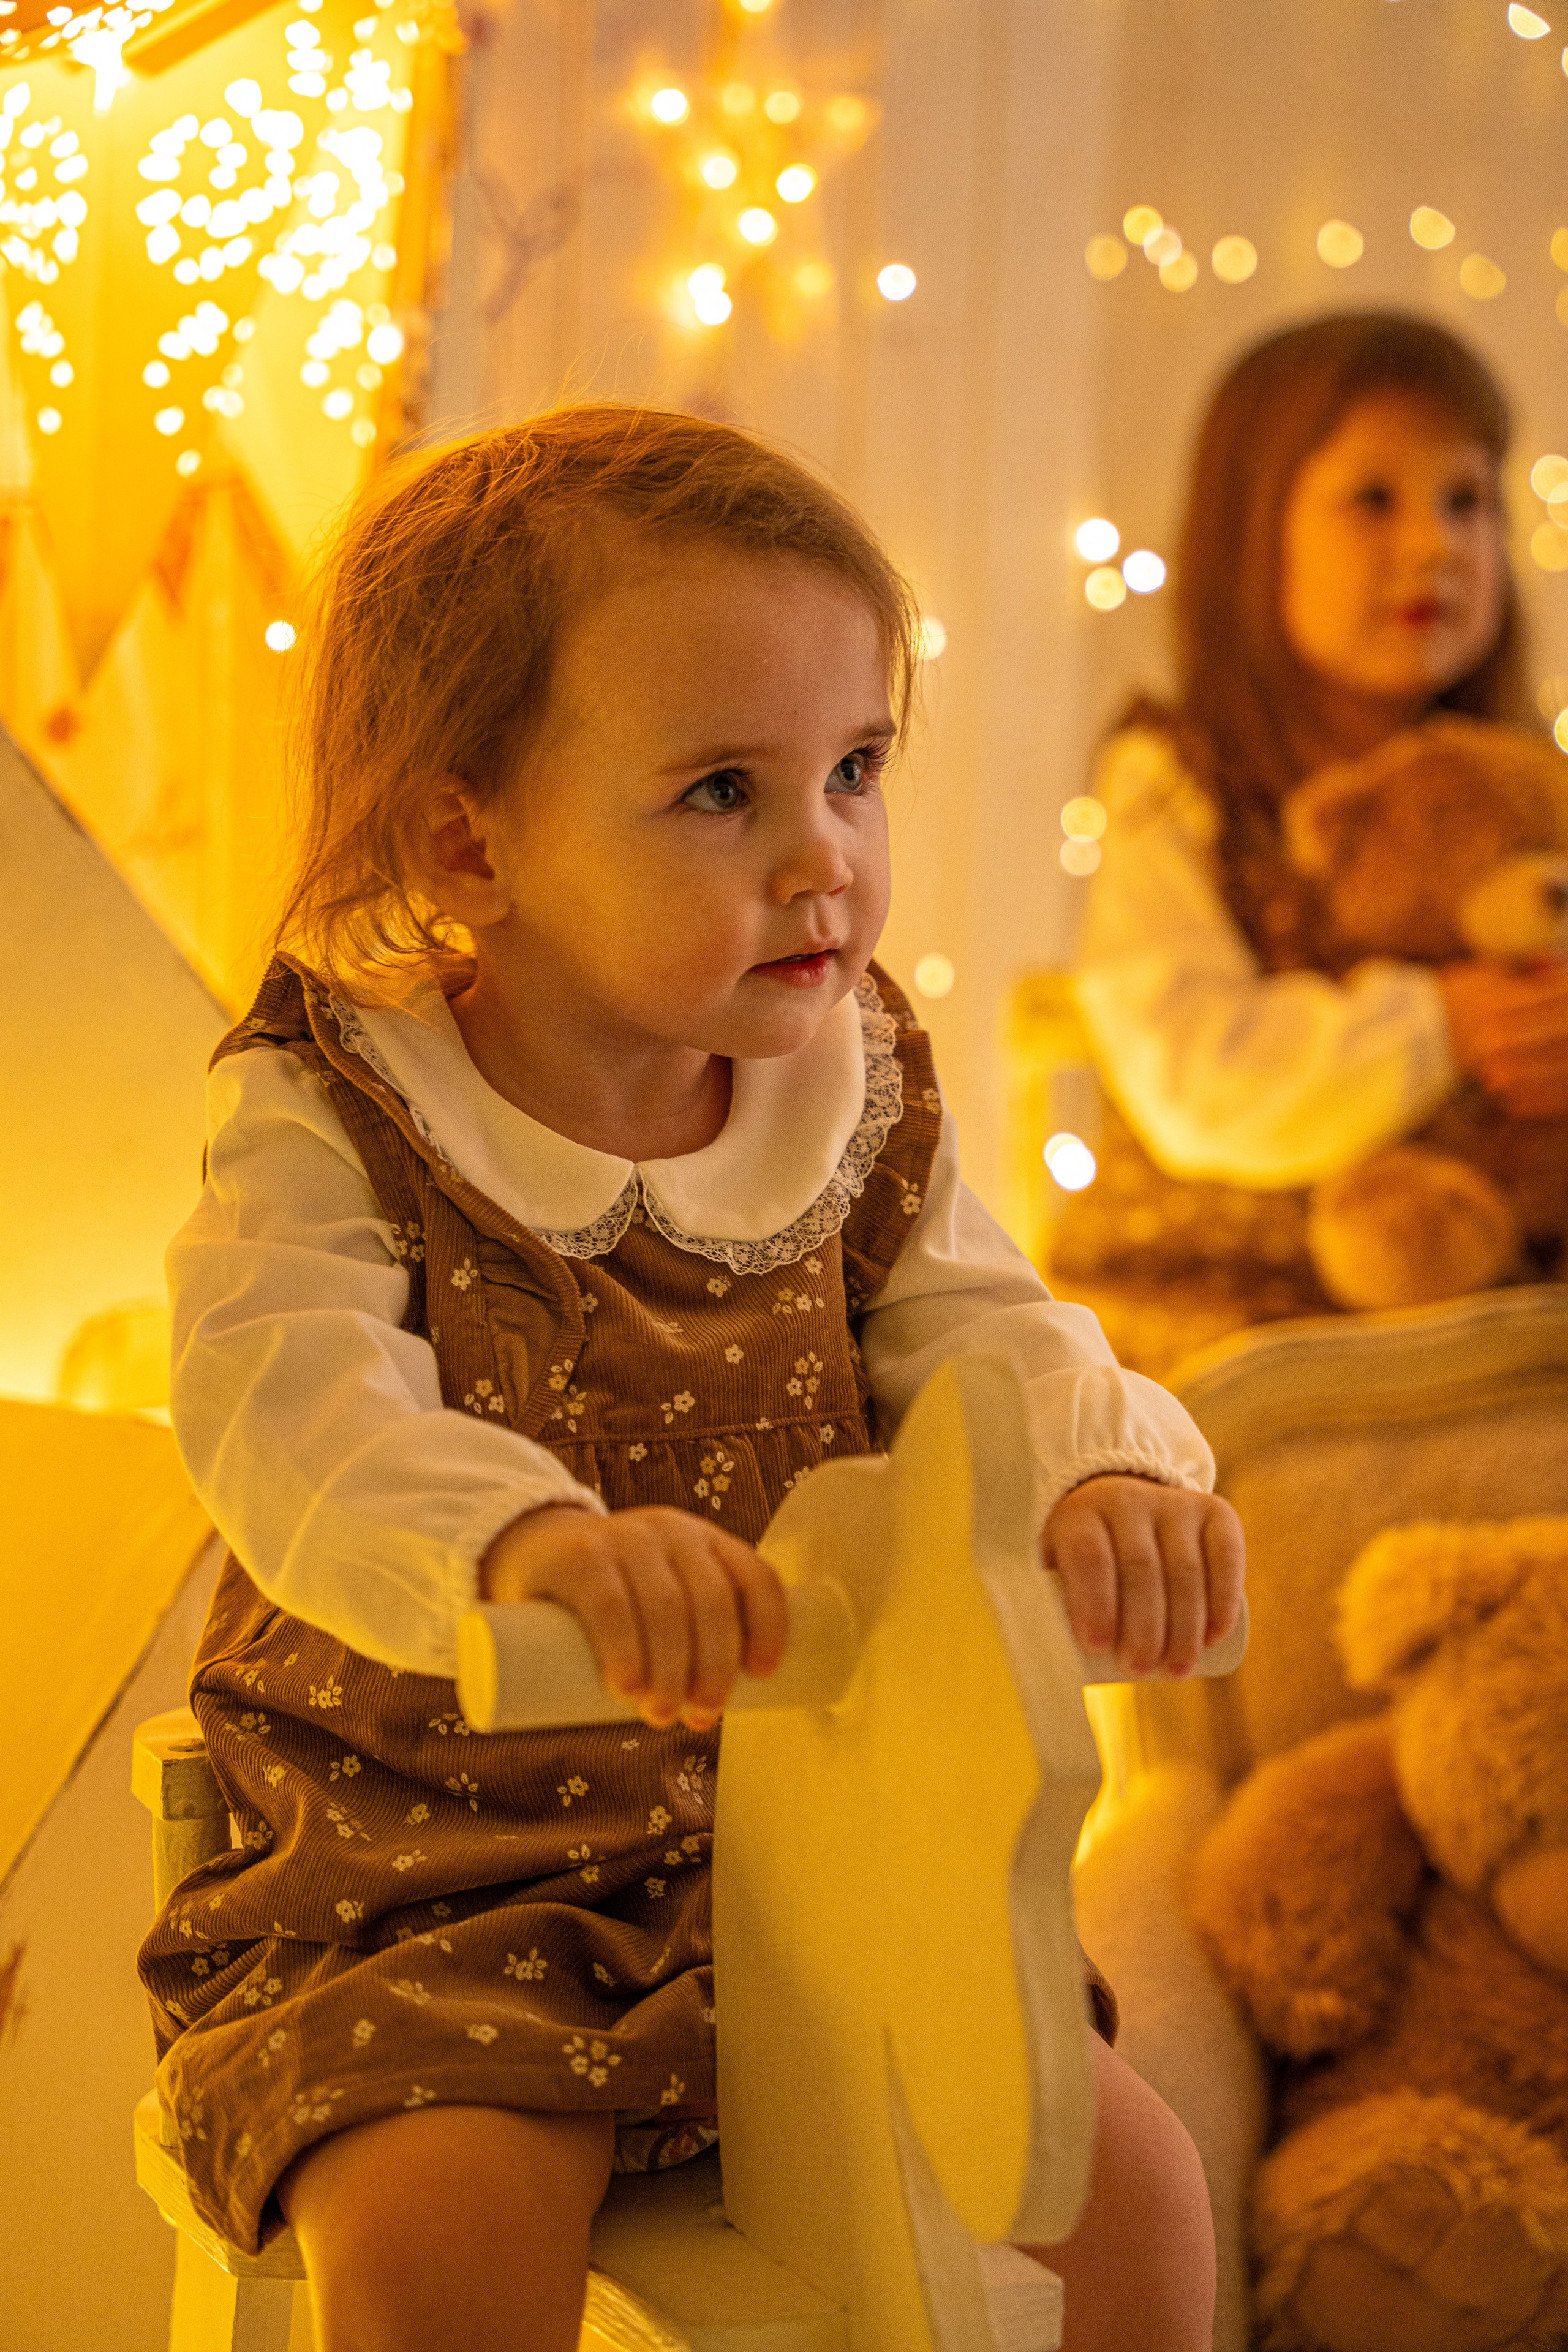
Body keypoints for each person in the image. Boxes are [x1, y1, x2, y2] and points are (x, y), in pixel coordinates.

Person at [138, 405, 1242, 2352]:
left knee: (1131, 2201)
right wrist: (523, 1549)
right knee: (450, 2240)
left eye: (856, 769)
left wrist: (1095, 1475)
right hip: (431, 1869)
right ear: (469, 837)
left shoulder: (851, 1085)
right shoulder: (342, 1107)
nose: (826, 854)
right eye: (724, 792)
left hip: (796, 1857)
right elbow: (285, 1402)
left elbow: (989, 1326)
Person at [1058, 312, 1568, 1377]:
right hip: (1234, 1305)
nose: (1435, 544)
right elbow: (1196, 1074)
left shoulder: (1525, 788)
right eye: (1373, 500)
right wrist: (1446, 1023)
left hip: (1490, 1304)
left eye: (1467, 500)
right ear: (1254, 530)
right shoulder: (1177, 781)